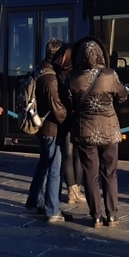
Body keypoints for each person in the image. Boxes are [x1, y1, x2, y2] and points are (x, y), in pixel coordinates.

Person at [67, 36, 128, 227]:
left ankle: (96, 216)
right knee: (110, 173)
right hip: (110, 131)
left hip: (86, 132)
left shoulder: (73, 78)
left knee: (91, 175)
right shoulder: (110, 75)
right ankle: (112, 215)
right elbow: (122, 96)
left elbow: (70, 103)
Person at [25, 38, 68, 223]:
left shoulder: (38, 70)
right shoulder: (51, 78)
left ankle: (35, 200)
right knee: (55, 169)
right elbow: (57, 109)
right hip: (51, 128)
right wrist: (69, 117)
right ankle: (53, 209)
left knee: (43, 164)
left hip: (40, 127)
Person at [53, 43, 85, 206]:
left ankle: (72, 191)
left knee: (68, 154)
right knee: (77, 155)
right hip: (77, 118)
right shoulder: (76, 75)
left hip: (64, 119)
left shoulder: (58, 75)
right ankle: (76, 190)